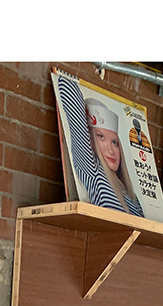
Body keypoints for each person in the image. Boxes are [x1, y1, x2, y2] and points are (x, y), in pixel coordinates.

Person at [55, 73, 143, 216]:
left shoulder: (131, 195)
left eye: (114, 142)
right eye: (101, 137)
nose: (111, 150)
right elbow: (67, 87)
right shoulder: (92, 170)